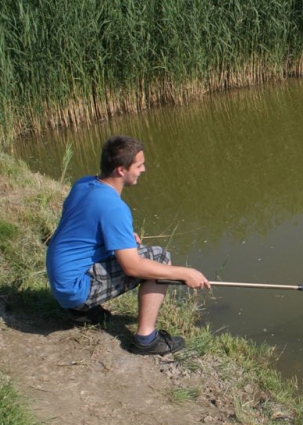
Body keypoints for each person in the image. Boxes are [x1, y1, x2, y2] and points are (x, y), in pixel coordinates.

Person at [46, 135, 210, 355]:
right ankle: (146, 339)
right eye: (139, 165)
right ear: (121, 170)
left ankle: (79, 312)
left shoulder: (85, 183)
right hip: (74, 286)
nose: (143, 169)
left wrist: (117, 235)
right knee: (159, 258)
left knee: (138, 253)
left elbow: (81, 225)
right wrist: (183, 273)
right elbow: (132, 267)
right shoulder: (114, 207)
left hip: (61, 276)